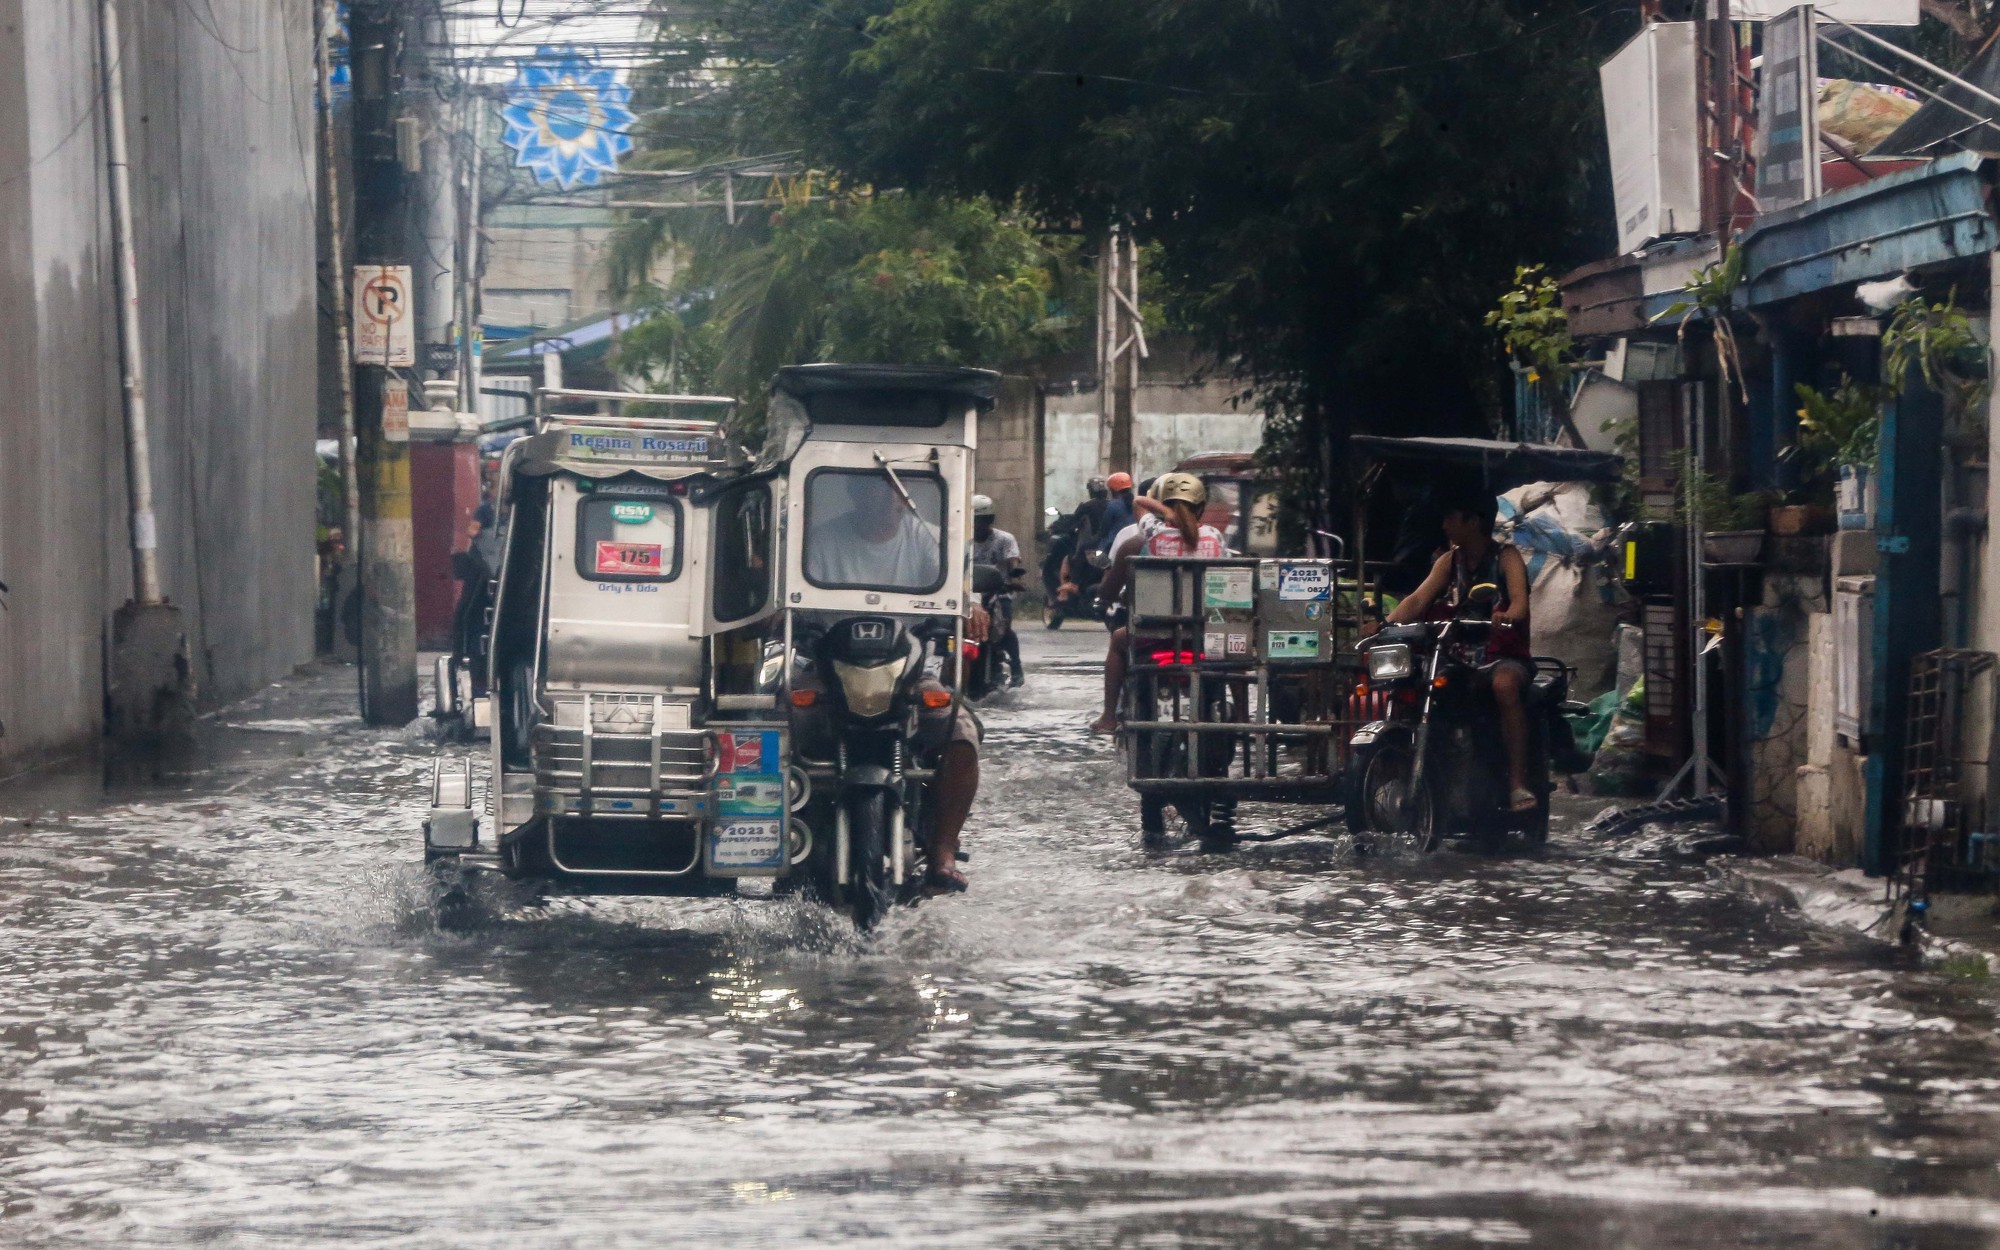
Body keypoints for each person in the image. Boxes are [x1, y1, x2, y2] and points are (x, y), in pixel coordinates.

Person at [1362, 487, 1536, 812]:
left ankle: (1516, 782)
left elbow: (1520, 603)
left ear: (1473, 521)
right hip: (1456, 652)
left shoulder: (1506, 557)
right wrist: (1383, 625)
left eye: (1451, 517)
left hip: (1502, 653)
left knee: (1505, 685)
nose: (1444, 525)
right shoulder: (1449, 560)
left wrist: (1506, 616)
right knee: (1413, 683)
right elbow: (1417, 600)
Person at [1089, 472, 1229, 733]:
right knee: (1237, 659)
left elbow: (1138, 501)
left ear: (1165, 505)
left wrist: (1166, 513)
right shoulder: (1215, 537)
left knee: (1118, 641)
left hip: (1156, 633)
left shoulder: (1154, 533)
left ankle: (1109, 717)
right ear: (1200, 509)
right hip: (1205, 634)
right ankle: (1244, 717)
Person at [805, 471, 942, 589]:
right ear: (855, 492)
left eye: (901, 486)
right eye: (881, 485)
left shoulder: (930, 537)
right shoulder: (822, 540)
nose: (893, 497)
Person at [969, 493, 1025, 687]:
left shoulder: (1004, 539)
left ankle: (1016, 666)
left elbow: (1013, 561)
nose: (979, 525)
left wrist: (1015, 577)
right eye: (976, 520)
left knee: (1005, 627)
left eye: (984, 520)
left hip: (998, 592)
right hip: (969, 594)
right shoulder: (962, 541)